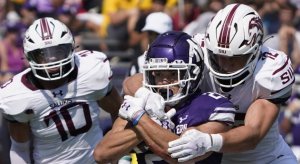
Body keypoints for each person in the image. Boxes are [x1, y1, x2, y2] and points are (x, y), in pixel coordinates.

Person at [122, 3, 298, 164]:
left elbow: (253, 134)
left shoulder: (269, 70)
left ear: (254, 52)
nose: (225, 65)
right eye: (219, 56)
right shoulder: (198, 49)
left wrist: (210, 141)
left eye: (234, 59)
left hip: (267, 159)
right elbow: (133, 80)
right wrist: (145, 94)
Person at [94, 31, 236, 163]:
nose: (164, 82)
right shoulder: (143, 102)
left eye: (173, 74)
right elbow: (102, 154)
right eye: (159, 74)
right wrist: (149, 123)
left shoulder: (213, 106)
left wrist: (141, 120)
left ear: (193, 73)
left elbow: (180, 156)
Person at [0, 17, 122, 163]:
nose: (52, 60)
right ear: (29, 57)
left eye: (58, 51)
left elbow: (119, 112)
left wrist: (116, 155)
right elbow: (20, 148)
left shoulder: (90, 70)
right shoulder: (18, 95)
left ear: (71, 48)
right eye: (43, 55)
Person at [128, 11, 173, 76]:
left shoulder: (181, 61)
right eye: (150, 33)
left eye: (157, 34)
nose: (153, 38)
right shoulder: (139, 63)